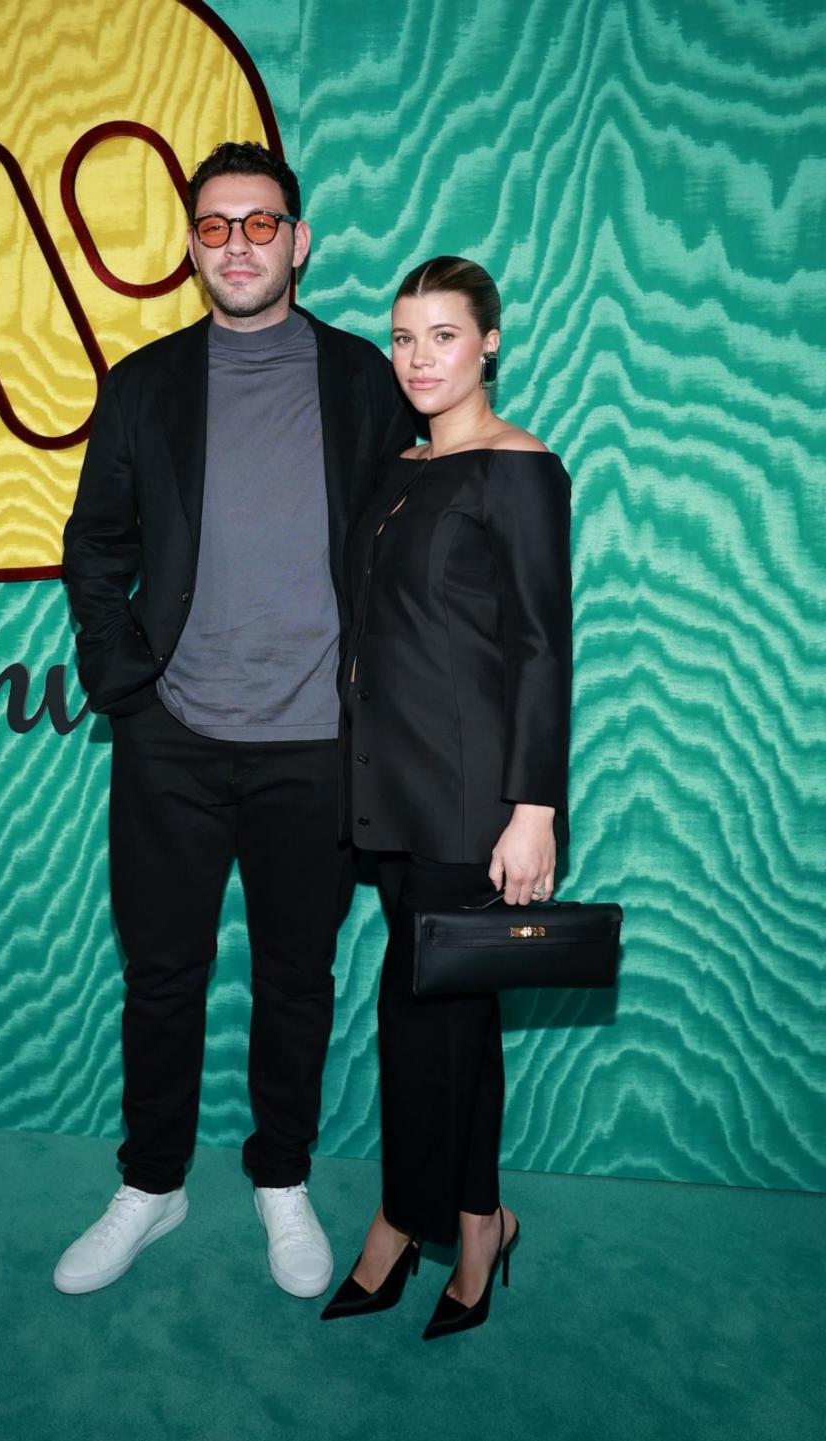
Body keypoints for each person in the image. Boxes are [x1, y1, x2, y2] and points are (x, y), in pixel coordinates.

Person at [57, 141, 413, 1299]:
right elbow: (95, 547)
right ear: (193, 244)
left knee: (295, 979)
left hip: (317, 744)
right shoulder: (146, 382)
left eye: (261, 225)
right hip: (174, 744)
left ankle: (281, 1179)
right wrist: (126, 688)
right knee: (160, 975)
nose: (239, 245)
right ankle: (151, 1186)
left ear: (298, 242)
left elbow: (415, 551)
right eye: (216, 227)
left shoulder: (366, 378)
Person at [321, 256, 572, 1339]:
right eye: (404, 339)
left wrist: (534, 807)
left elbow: (540, 652)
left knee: (420, 1018)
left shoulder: (519, 469)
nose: (420, 359)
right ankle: (481, 1226)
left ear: (491, 346)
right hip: (389, 790)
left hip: (475, 805)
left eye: (444, 337)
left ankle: (398, 1225)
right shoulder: (402, 467)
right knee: (460, 1017)